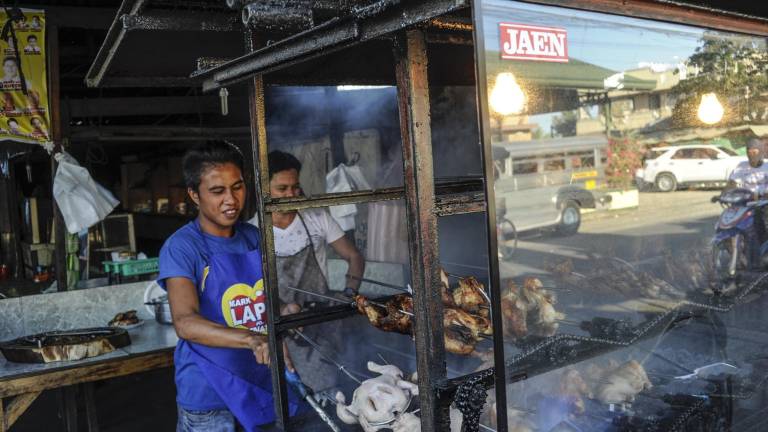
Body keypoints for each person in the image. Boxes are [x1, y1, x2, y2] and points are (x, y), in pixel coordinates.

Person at [158, 142, 302, 432]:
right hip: (210, 395)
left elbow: (261, 300)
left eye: (237, 187)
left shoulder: (253, 236)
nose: (231, 200)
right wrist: (252, 339)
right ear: (194, 195)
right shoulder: (182, 247)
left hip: (258, 382)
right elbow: (185, 322)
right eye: (217, 191)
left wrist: (284, 311)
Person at [249, 150, 365, 392]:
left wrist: (349, 293)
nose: (291, 195)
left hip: (323, 323)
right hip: (281, 329)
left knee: (336, 390)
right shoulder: (252, 232)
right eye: (282, 189)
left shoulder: (316, 217)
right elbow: (252, 290)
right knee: (291, 397)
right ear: (263, 189)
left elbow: (354, 256)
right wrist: (281, 311)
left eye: (295, 187)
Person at [728, 138, 768, 242]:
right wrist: (724, 194)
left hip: (763, 203)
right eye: (749, 152)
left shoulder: (767, 166)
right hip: (744, 202)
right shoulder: (741, 166)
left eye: (754, 152)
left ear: (761, 152)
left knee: (761, 225)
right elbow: (732, 183)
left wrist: (762, 195)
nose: (751, 155)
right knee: (731, 220)